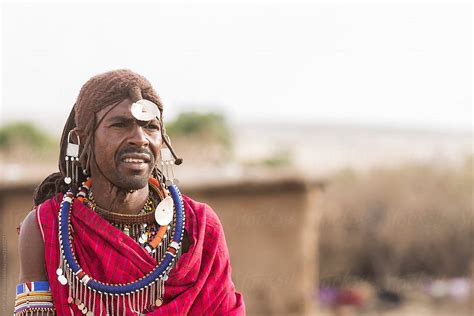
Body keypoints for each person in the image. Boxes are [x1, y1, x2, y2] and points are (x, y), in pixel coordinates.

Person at [16, 69, 245, 315]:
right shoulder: (46, 226)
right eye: (120, 125)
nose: (140, 138)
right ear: (83, 140)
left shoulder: (199, 227)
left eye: (151, 127)